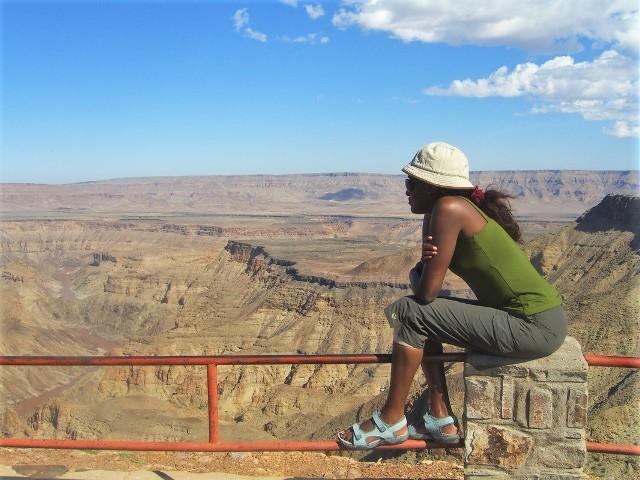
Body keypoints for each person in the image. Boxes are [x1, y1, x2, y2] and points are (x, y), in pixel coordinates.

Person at [337, 141, 567, 449]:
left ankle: (392, 419)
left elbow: (426, 291)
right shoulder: (443, 209)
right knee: (423, 315)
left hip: (533, 325)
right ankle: (440, 417)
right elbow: (426, 287)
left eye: (411, 183)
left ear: (433, 187)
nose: (406, 190)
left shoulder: (449, 209)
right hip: (533, 320)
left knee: (410, 310)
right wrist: (420, 269)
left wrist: (415, 271)